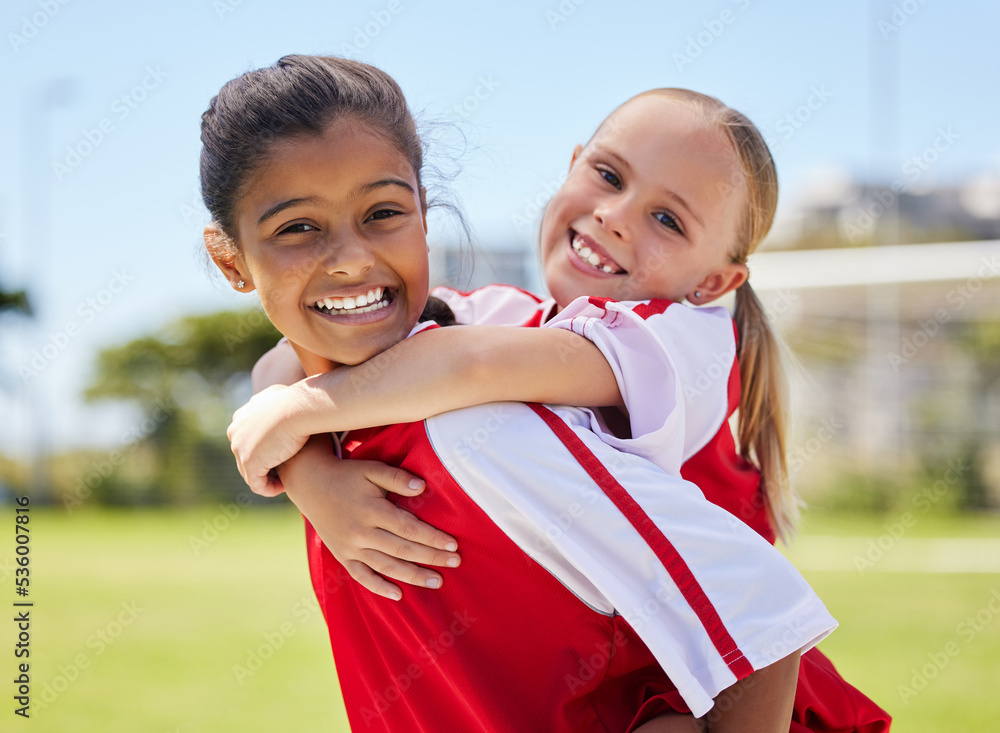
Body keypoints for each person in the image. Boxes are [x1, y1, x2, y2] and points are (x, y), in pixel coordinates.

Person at [203, 55, 838, 731]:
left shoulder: (673, 341)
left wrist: (295, 417)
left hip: (705, 675)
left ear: (714, 282)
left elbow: (462, 365)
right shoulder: (504, 322)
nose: (616, 216)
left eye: (668, 220)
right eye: (608, 175)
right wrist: (310, 470)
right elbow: (290, 362)